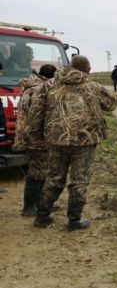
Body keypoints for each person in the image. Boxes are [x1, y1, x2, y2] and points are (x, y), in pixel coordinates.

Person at [29, 55, 117, 230]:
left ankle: (42, 216)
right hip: (85, 140)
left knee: (54, 177)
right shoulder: (93, 86)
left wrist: (36, 134)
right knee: (79, 180)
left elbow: (35, 112)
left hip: (56, 139)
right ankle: (74, 220)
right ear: (87, 70)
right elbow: (111, 104)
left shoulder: (48, 85)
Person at [16, 64, 57, 216]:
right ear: (51, 77)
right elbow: (35, 117)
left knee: (42, 170)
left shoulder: (32, 86)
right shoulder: (38, 89)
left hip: (32, 134)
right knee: (36, 171)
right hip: (36, 136)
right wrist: (38, 137)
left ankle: (40, 203)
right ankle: (29, 207)